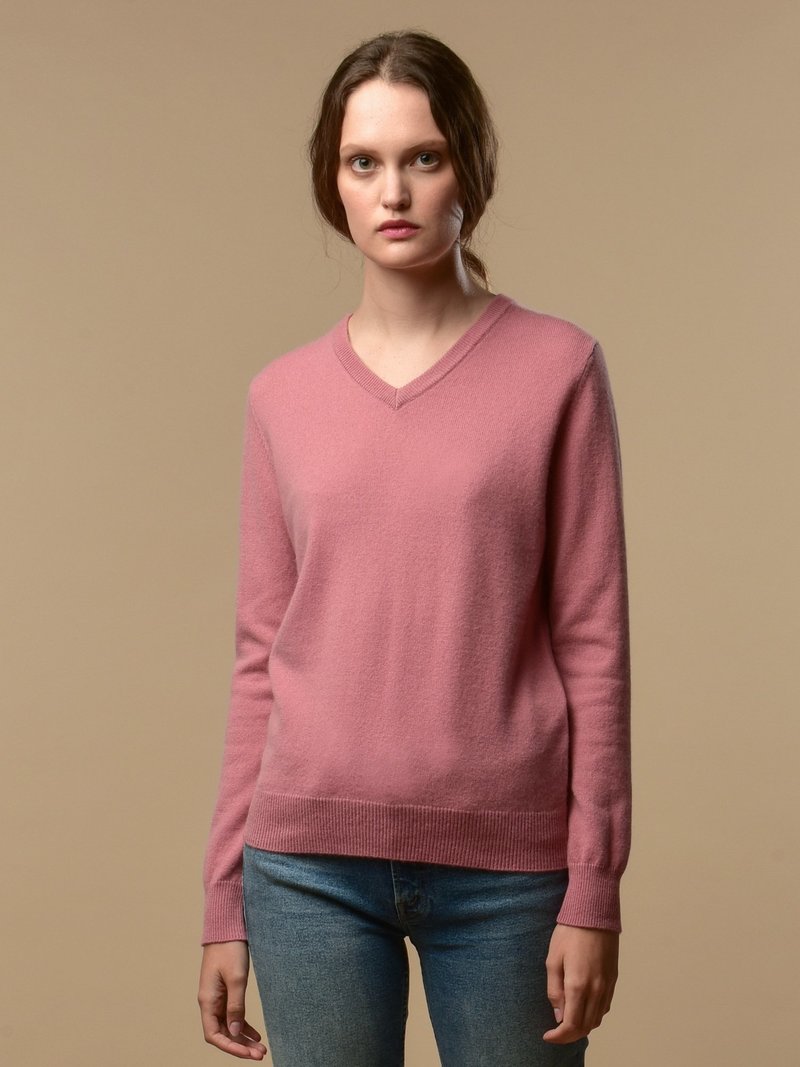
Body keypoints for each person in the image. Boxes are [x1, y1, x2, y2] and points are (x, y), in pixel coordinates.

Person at [197, 28, 631, 1067]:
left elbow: (593, 644)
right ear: (333, 183)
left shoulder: (558, 369)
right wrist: (223, 896)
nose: (393, 191)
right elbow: (260, 653)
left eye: (422, 158)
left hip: (509, 873)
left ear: (466, 170)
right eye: (364, 162)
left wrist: (593, 884)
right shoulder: (281, 397)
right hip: (304, 869)